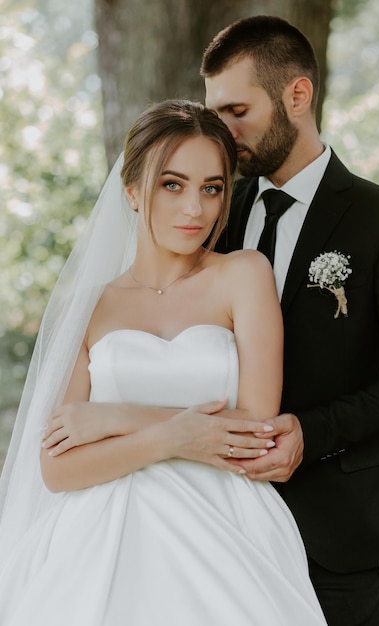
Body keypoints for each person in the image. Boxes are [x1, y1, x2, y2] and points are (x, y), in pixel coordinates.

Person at [0, 100, 327, 625]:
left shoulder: (243, 274)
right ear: (132, 191)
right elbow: (57, 468)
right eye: (172, 184)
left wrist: (118, 417)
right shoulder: (85, 306)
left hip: (225, 527)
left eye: (211, 188)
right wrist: (171, 438)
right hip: (101, 531)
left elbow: (258, 427)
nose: (194, 210)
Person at [200, 15, 379, 626]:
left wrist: (314, 433)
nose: (223, 132)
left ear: (298, 95)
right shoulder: (212, 216)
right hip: (216, 520)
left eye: (237, 111)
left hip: (339, 527)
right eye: (215, 113)